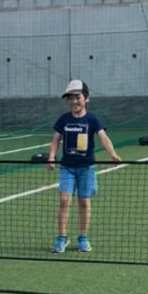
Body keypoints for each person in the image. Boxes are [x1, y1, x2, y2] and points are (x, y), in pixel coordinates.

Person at [47, 79, 122, 254]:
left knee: (83, 202)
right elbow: (55, 139)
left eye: (77, 97)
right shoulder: (63, 119)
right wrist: (51, 157)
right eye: (70, 98)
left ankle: (82, 237)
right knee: (64, 201)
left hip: (86, 168)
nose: (74, 101)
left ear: (86, 98)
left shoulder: (92, 119)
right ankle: (61, 237)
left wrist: (113, 154)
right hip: (67, 167)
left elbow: (103, 137)